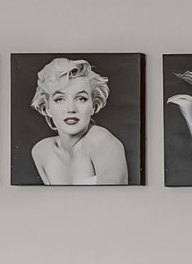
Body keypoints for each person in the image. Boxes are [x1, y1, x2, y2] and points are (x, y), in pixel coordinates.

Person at [29, 57, 128, 185]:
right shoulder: (41, 151)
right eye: (59, 99)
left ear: (93, 105)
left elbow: (117, 203)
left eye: (81, 98)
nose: (71, 109)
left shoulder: (101, 141)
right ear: (47, 108)